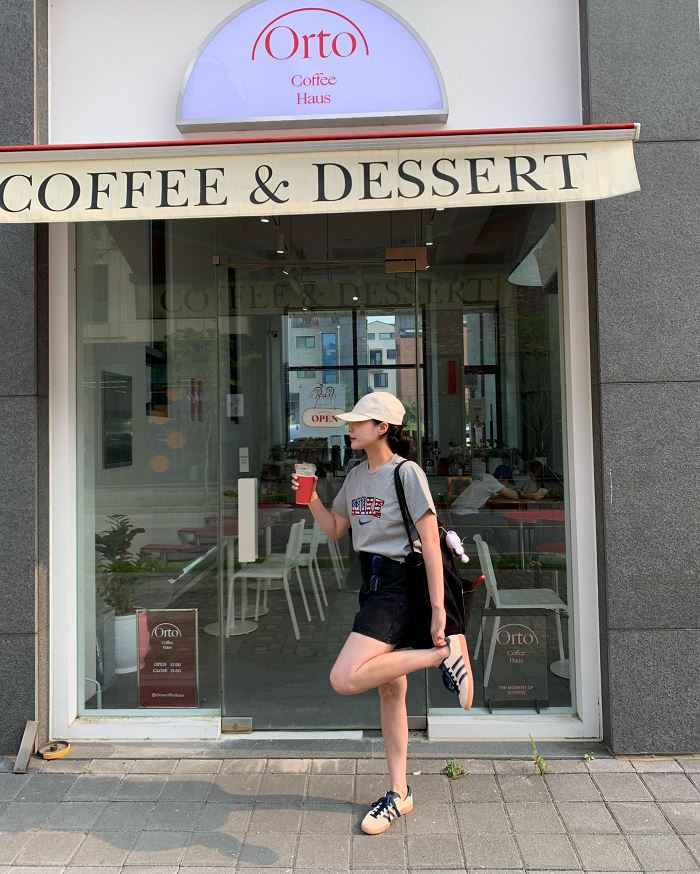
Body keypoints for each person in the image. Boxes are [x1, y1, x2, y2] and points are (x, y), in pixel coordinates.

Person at [291, 391, 472, 836]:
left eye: (358, 422)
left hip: (401, 586)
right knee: (391, 689)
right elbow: (336, 529)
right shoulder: (355, 476)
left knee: (345, 677)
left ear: (383, 428)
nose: (350, 429)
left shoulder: (406, 473)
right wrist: (308, 498)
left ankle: (440, 654)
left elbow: (431, 543)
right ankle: (399, 792)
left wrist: (439, 612)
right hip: (371, 585)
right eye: (350, 422)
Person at [449, 464, 519, 515]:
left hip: (455, 512)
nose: (507, 485)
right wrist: (520, 492)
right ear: (501, 478)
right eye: (508, 482)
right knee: (501, 522)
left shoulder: (485, 477)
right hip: (465, 514)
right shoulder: (493, 482)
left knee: (493, 520)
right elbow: (515, 495)